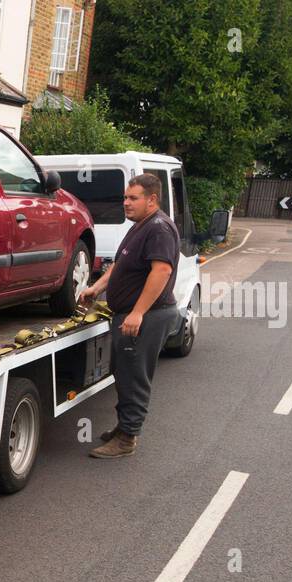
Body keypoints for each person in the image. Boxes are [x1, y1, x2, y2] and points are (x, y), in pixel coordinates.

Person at [78, 173, 181, 458]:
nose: (126, 202)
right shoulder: (140, 226)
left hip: (147, 317)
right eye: (125, 197)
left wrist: (137, 312)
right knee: (123, 372)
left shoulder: (158, 228)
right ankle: (124, 427)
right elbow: (121, 265)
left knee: (134, 377)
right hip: (131, 315)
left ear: (152, 199)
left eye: (133, 198)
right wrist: (96, 288)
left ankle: (127, 438)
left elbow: (162, 271)